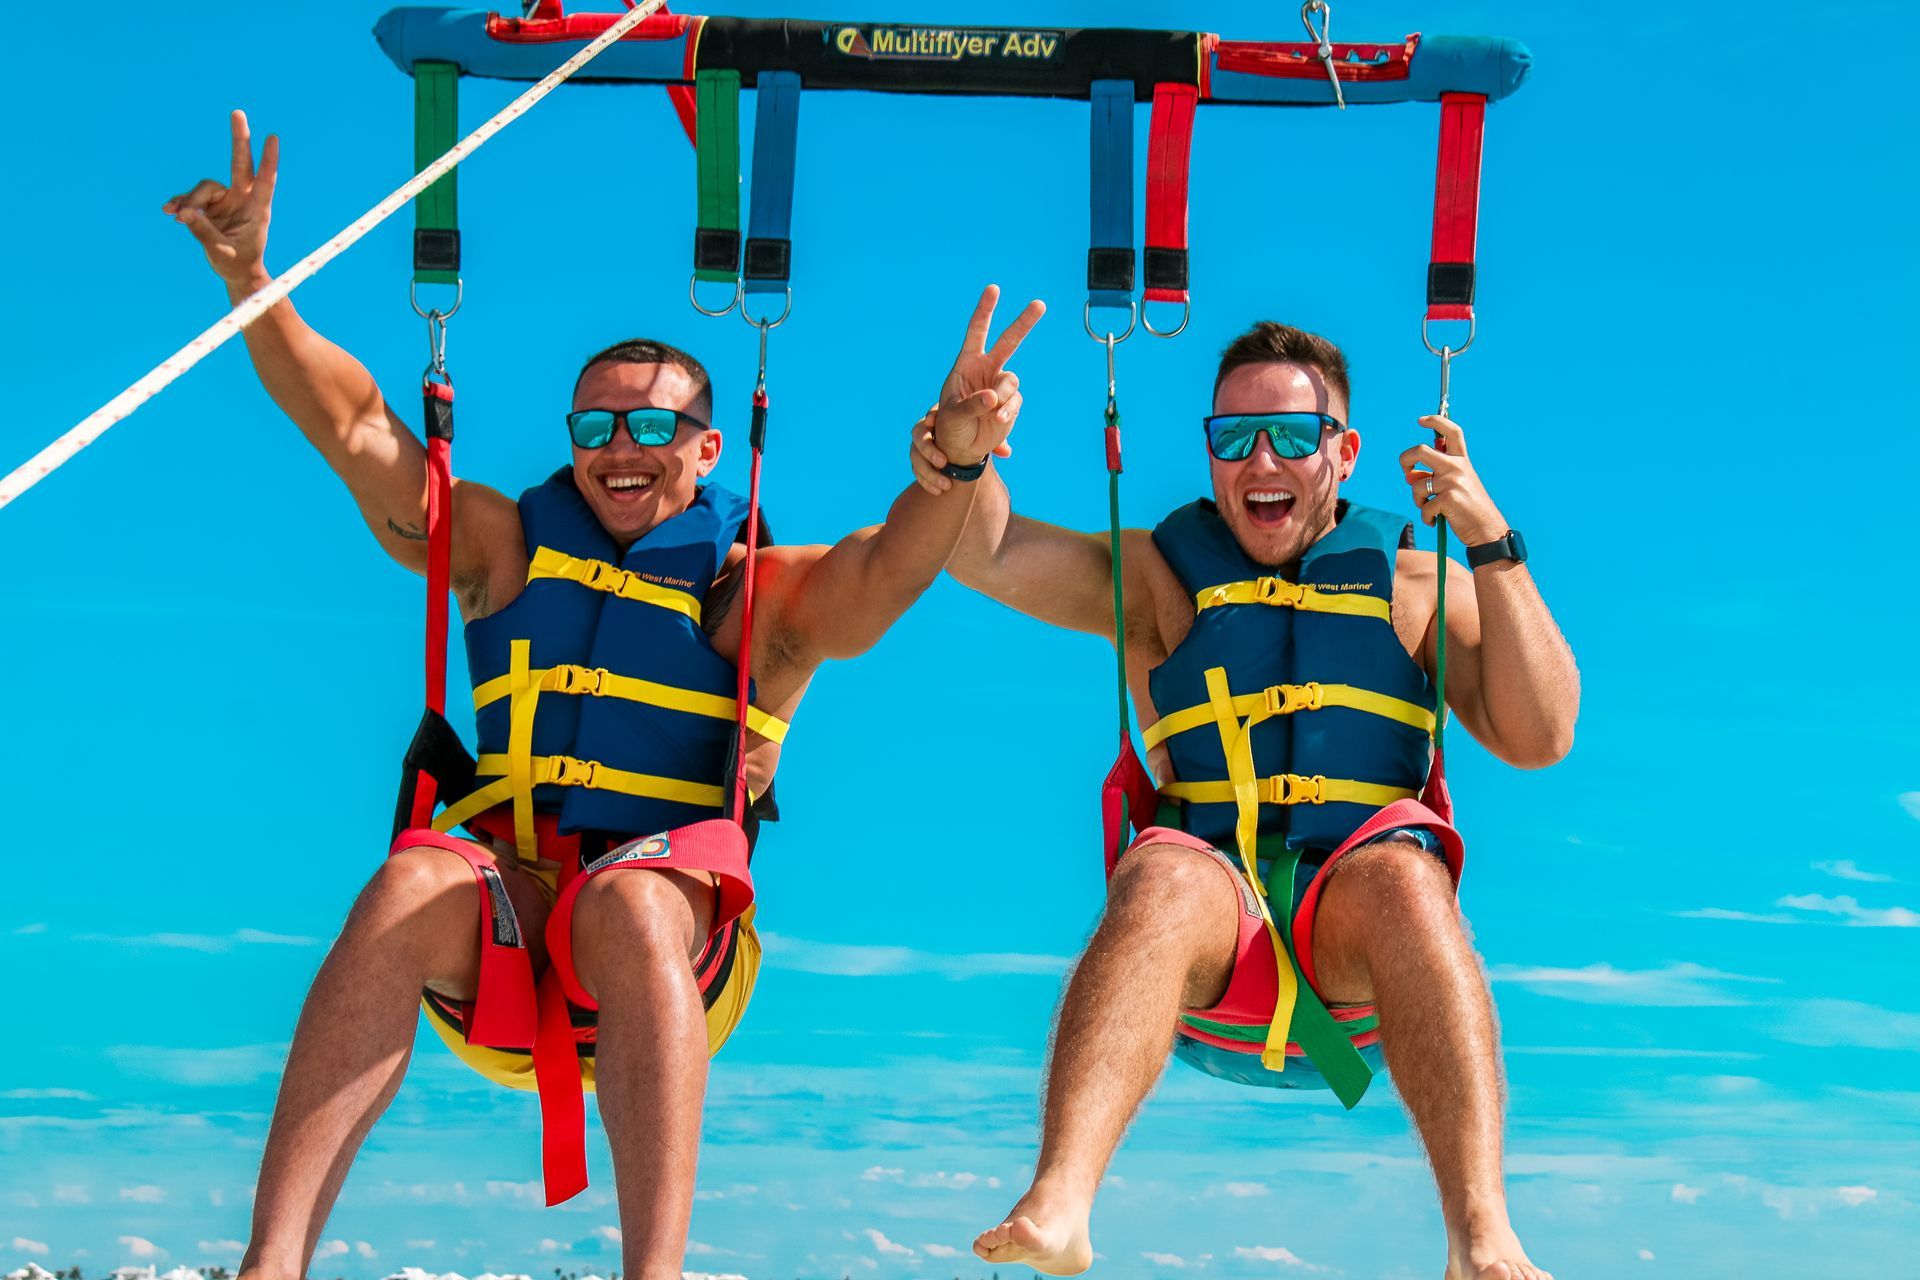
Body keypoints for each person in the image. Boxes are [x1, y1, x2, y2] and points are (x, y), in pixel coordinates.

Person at [163, 110, 1042, 1280]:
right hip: (503, 949)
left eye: (651, 425)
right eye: (595, 424)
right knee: (412, 869)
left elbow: (885, 572)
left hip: (674, 955)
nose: (618, 447)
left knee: (631, 900)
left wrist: (959, 461)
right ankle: (269, 1266)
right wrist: (251, 282)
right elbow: (359, 424)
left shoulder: (752, 594)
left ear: (708, 448)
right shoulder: (502, 547)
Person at [911, 320, 1578, 1280]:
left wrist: (1490, 541)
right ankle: (1060, 1197)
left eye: (1295, 439)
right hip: (1204, 933)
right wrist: (960, 456)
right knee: (1163, 870)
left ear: (1344, 453)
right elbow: (990, 554)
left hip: (1362, 934)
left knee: (1404, 876)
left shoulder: (1419, 579)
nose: (1262, 460)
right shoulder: (1159, 574)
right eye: (1234, 439)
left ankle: (1482, 1232)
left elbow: (1543, 735)